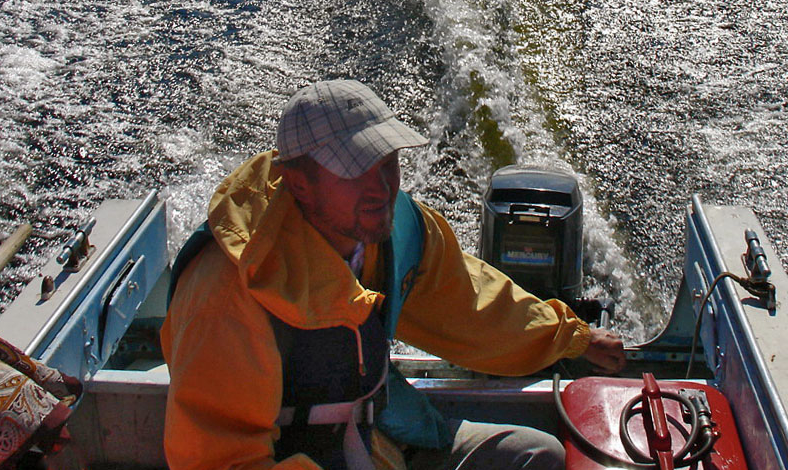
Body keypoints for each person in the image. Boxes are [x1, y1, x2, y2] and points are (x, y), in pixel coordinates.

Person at [161, 79, 625, 470]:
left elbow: (467, 301)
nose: (381, 187)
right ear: (299, 184)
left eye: (387, 161)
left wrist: (571, 337)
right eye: (354, 170)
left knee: (536, 455)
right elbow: (222, 459)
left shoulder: (391, 230)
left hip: (380, 439)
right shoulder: (228, 293)